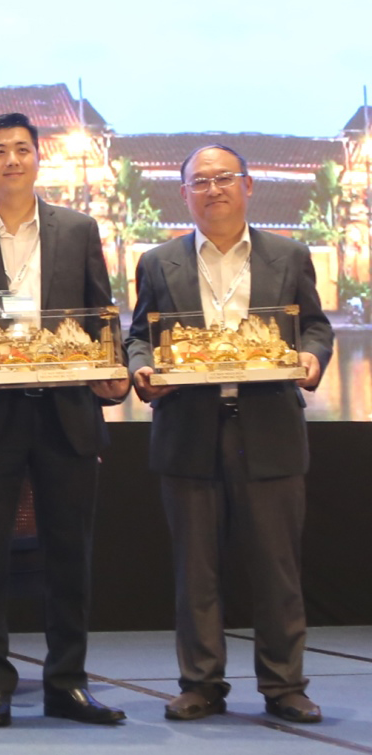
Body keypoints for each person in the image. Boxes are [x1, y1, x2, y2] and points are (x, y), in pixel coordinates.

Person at [0, 112, 129, 727]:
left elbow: (101, 316)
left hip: (66, 412)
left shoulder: (76, 228)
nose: (12, 160)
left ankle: (67, 681)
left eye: (22, 149)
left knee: (70, 554)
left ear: (38, 158)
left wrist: (112, 368)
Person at [127, 144, 330, 725]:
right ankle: (200, 683)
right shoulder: (157, 260)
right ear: (184, 193)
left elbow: (314, 328)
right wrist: (141, 366)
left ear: (248, 186)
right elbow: (139, 335)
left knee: (277, 567)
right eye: (200, 182)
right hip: (188, 428)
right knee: (196, 569)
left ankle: (285, 684)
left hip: (268, 425)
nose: (213, 189)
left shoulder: (288, 254)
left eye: (225, 179)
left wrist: (313, 359)